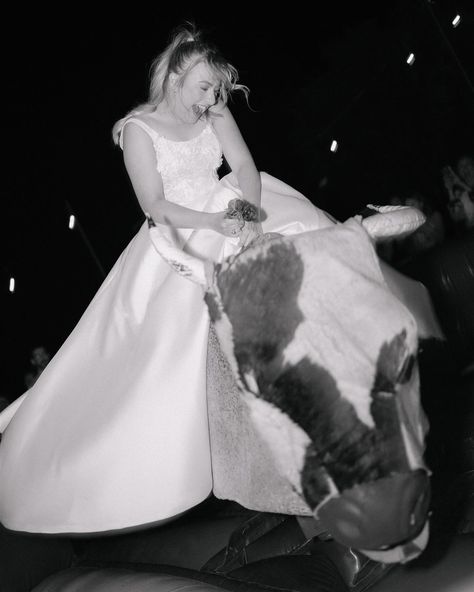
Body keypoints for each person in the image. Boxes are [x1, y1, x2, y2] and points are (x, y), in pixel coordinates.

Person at [0, 22, 335, 535]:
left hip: (231, 209)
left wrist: (246, 209)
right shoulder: (138, 129)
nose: (212, 98)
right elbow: (155, 206)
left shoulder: (216, 110)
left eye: (217, 89)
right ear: (176, 76)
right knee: (173, 348)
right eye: (204, 87)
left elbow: (244, 164)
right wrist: (215, 224)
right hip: (179, 231)